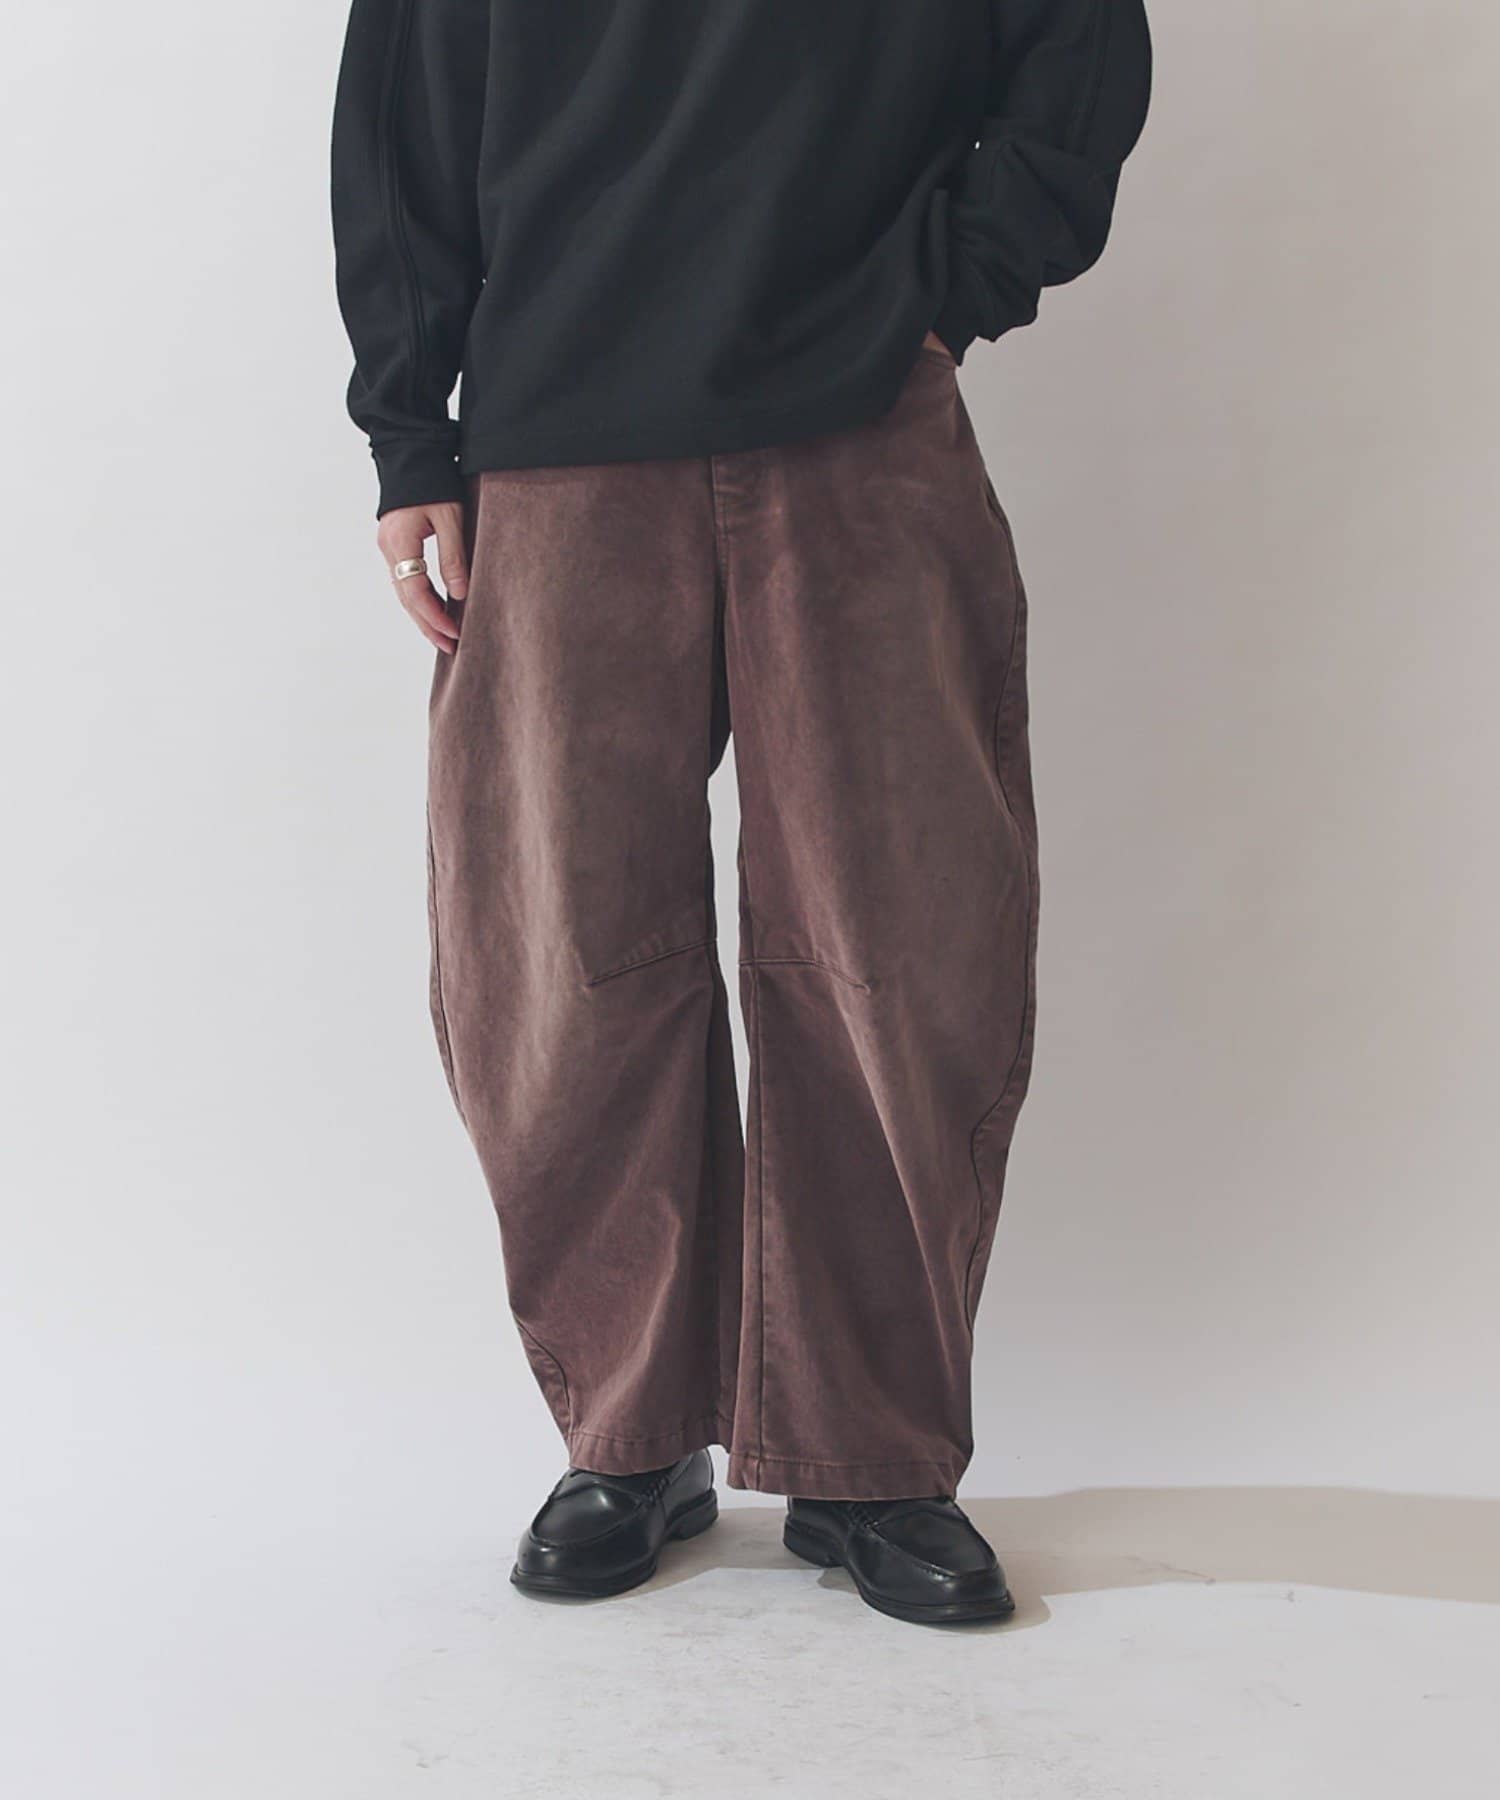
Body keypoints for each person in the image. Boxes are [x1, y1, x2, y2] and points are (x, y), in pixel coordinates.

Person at [333, 0, 1150, 1626]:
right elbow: (404, 109)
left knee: (896, 953)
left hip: (860, 423)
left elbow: (1078, 42)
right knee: (559, 964)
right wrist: (410, 430)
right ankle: (629, 1437)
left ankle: (872, 1458)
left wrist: (950, 290)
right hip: (552, 437)